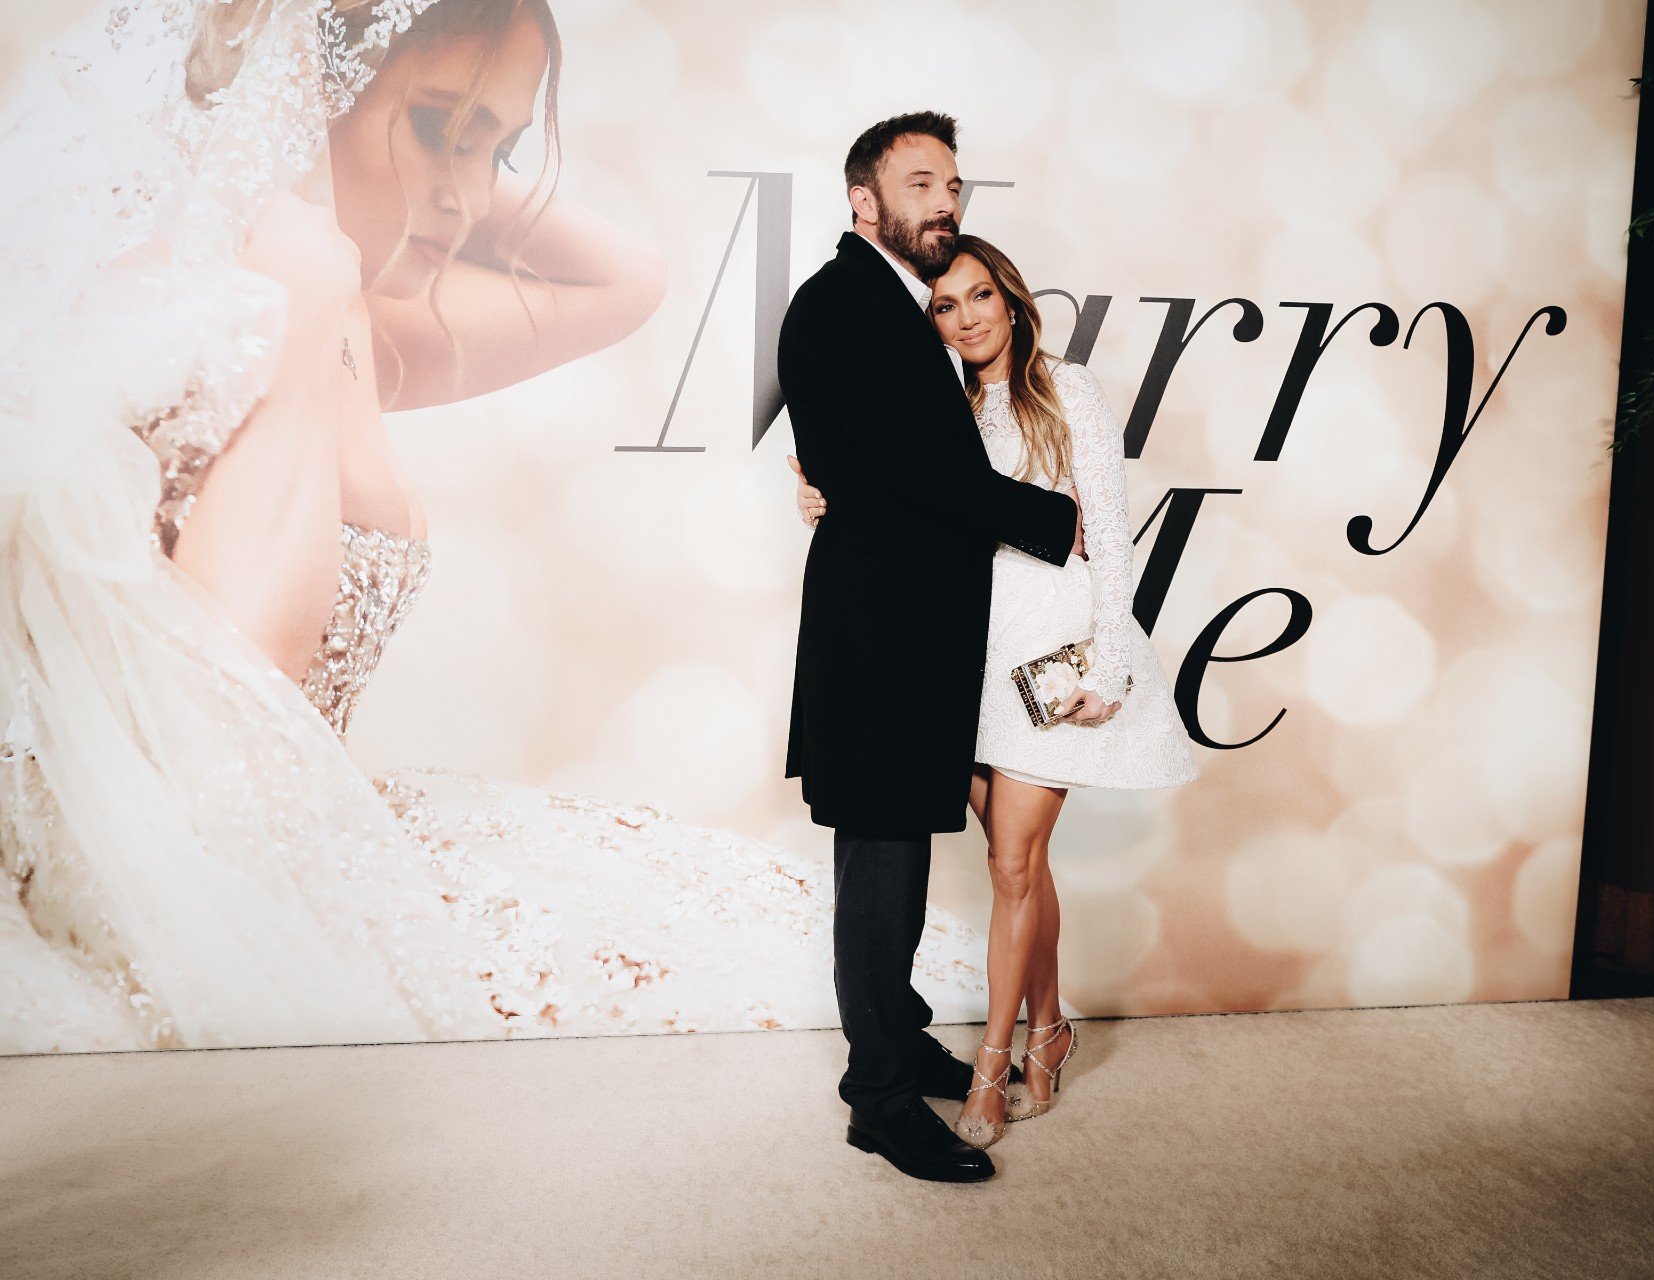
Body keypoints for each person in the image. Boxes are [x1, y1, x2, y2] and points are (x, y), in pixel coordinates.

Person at [0, 0, 985, 1056]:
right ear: (310, 95)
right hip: (208, 890)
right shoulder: (218, 303)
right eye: (434, 128)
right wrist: (307, 217)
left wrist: (391, 153)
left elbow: (630, 279)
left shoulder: (349, 307)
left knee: (790, 938)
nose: (467, 199)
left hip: (318, 847)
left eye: (498, 149)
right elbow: (229, 722)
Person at [793, 235, 1199, 1149]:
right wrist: (821, 494)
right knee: (1022, 865)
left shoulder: (1068, 388)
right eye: (945, 305)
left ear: (1012, 301)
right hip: (966, 655)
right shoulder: (945, 406)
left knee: (1013, 866)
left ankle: (991, 1068)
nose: (967, 316)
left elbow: (1112, 533)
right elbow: (909, 491)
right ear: (931, 323)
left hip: (1050, 652)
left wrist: (1109, 665)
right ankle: (1049, 1031)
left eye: (981, 296)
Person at [777, 112, 1081, 1183]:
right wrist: (1061, 521)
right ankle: (880, 1099)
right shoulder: (842, 303)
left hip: (912, 638)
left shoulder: (895, 306)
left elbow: (879, 464)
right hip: (879, 643)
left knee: (897, 854)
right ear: (864, 200)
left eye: (953, 184)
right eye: (920, 183)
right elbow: (921, 472)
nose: (945, 202)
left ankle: (897, 1043)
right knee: (882, 867)